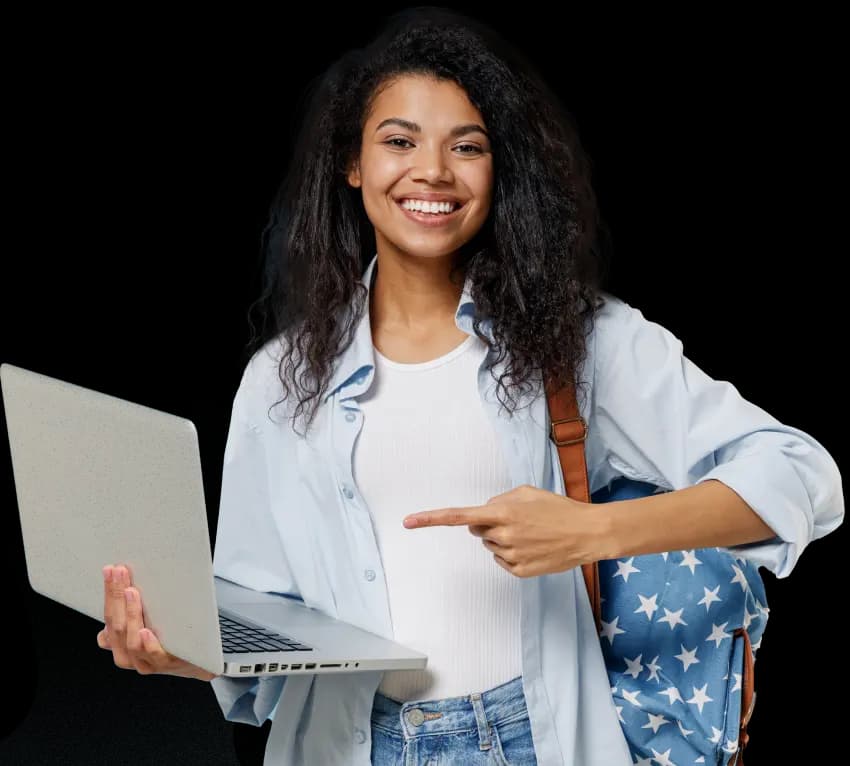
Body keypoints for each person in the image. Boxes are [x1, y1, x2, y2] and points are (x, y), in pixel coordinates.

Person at [96, 6, 844, 765]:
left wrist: (594, 532)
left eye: (468, 146)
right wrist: (176, 649)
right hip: (350, 745)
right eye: (398, 141)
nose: (433, 172)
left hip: (532, 740)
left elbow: (804, 476)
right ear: (351, 163)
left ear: (499, 169)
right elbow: (265, 632)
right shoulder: (282, 382)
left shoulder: (579, 342)